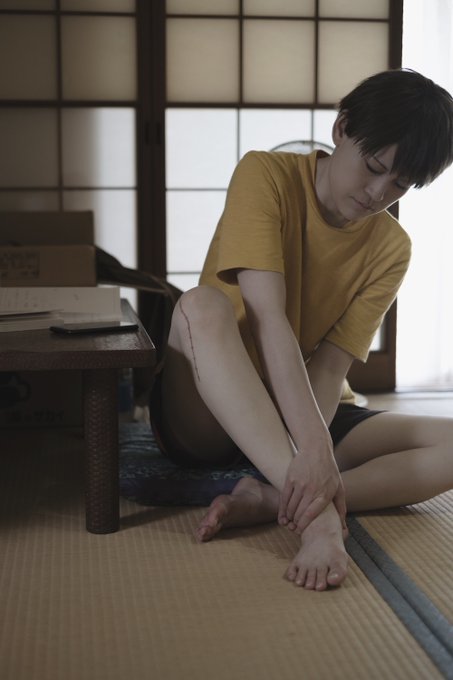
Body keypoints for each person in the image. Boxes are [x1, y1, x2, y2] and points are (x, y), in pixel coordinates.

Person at [151, 69, 453, 591]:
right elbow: (268, 320)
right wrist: (313, 458)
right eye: (374, 167)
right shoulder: (264, 174)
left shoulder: (392, 248)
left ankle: (273, 497)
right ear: (341, 129)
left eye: (401, 185)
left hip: (302, 409)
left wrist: (312, 451)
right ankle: (318, 518)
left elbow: (331, 367)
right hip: (208, 406)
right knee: (200, 306)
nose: (378, 193)